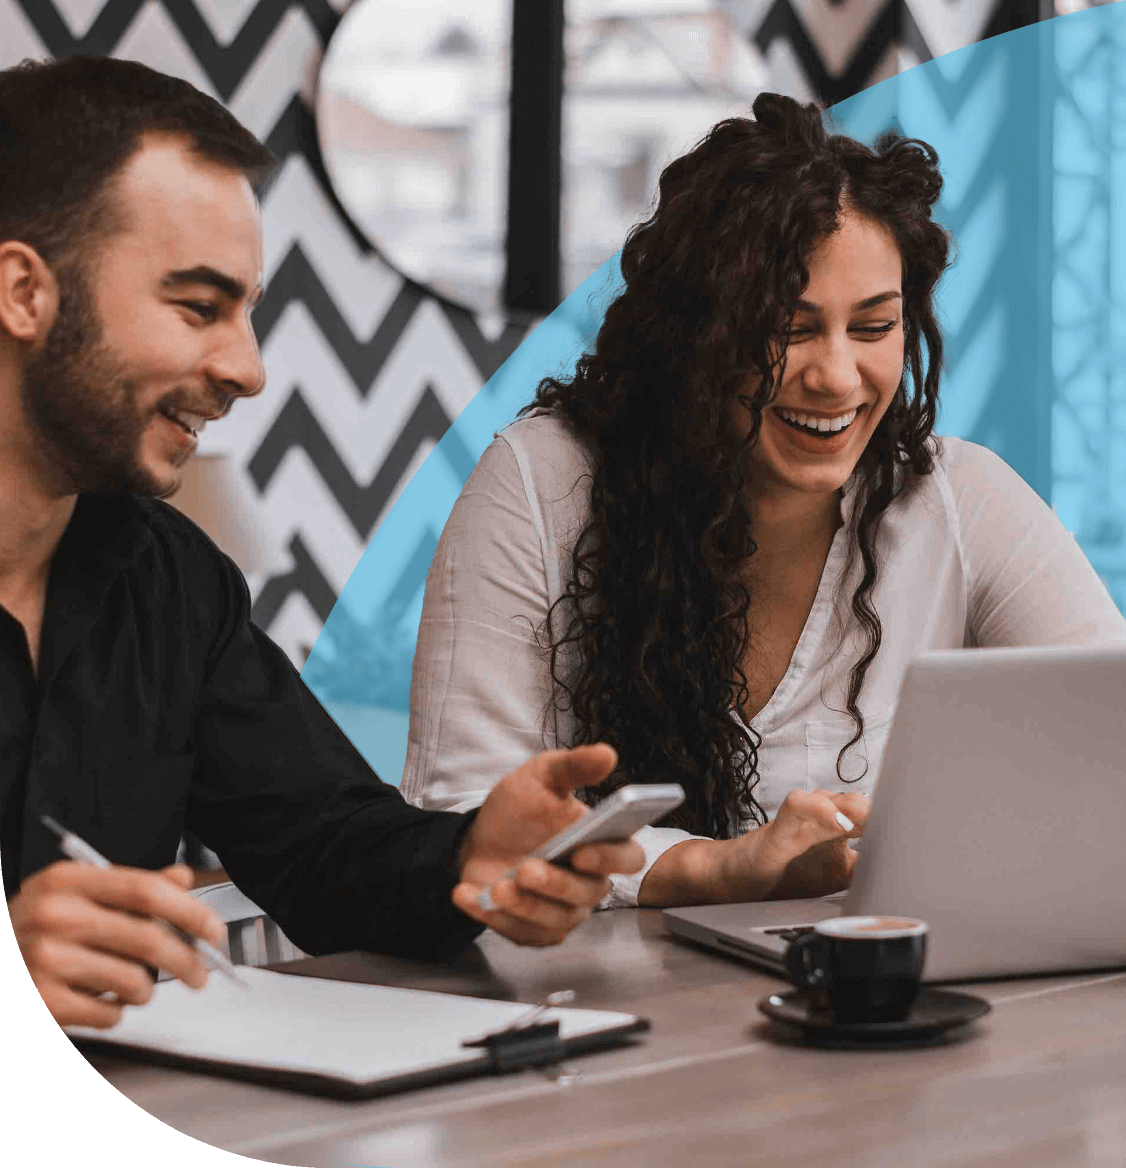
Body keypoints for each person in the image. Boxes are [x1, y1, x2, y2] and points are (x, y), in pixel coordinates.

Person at [0, 54, 645, 1033]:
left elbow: (321, 846)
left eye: (246, 312)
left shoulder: (175, 581)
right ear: (21, 291)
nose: (247, 369)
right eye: (198, 306)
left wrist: (472, 855)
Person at [402, 92, 1126, 909]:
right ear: (693, 331)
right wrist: (717, 868)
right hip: (596, 1009)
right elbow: (462, 818)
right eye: (789, 328)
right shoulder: (541, 485)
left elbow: (1112, 747)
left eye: (874, 327)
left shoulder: (958, 500)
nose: (837, 376)